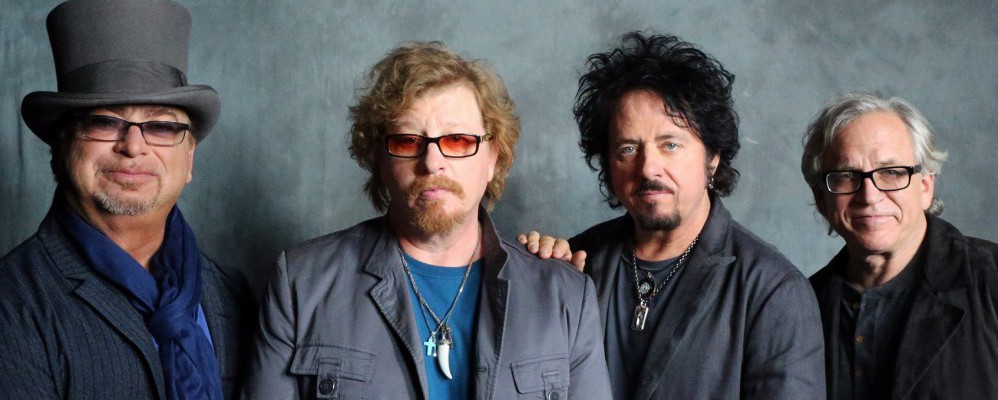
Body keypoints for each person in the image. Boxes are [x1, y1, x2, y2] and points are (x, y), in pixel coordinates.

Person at [242, 41, 611, 400]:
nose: (433, 162)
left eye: (458, 140)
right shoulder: (301, 283)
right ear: (380, 161)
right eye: (407, 141)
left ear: (492, 159)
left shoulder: (566, 296)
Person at [523, 32, 826, 399]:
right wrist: (531, 278)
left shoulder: (773, 291)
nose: (648, 168)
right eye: (628, 148)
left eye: (670, 145)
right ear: (608, 164)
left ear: (712, 158)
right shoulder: (575, 263)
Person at [0, 0, 253, 399]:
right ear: (61, 147)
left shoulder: (230, 295)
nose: (133, 146)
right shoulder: (13, 302)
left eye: (162, 126)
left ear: (189, 160)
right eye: (104, 122)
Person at [802, 92, 998, 399]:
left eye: (891, 172)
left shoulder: (992, 278)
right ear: (822, 199)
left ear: (925, 187)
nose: (869, 196)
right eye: (846, 176)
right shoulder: (800, 305)